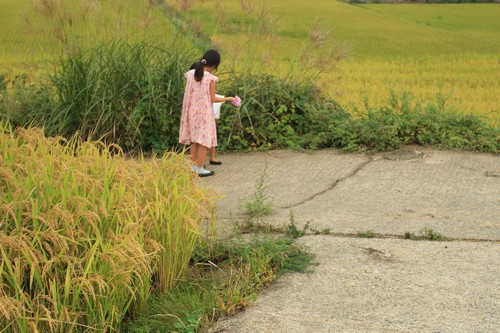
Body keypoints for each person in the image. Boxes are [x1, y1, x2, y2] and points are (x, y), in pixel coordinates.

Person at [179, 49, 236, 177]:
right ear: (214, 65)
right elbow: (212, 99)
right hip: (204, 114)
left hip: (191, 112)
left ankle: (194, 166)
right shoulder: (210, 78)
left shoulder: (190, 74)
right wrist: (228, 98)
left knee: (193, 140)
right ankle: (200, 168)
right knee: (203, 141)